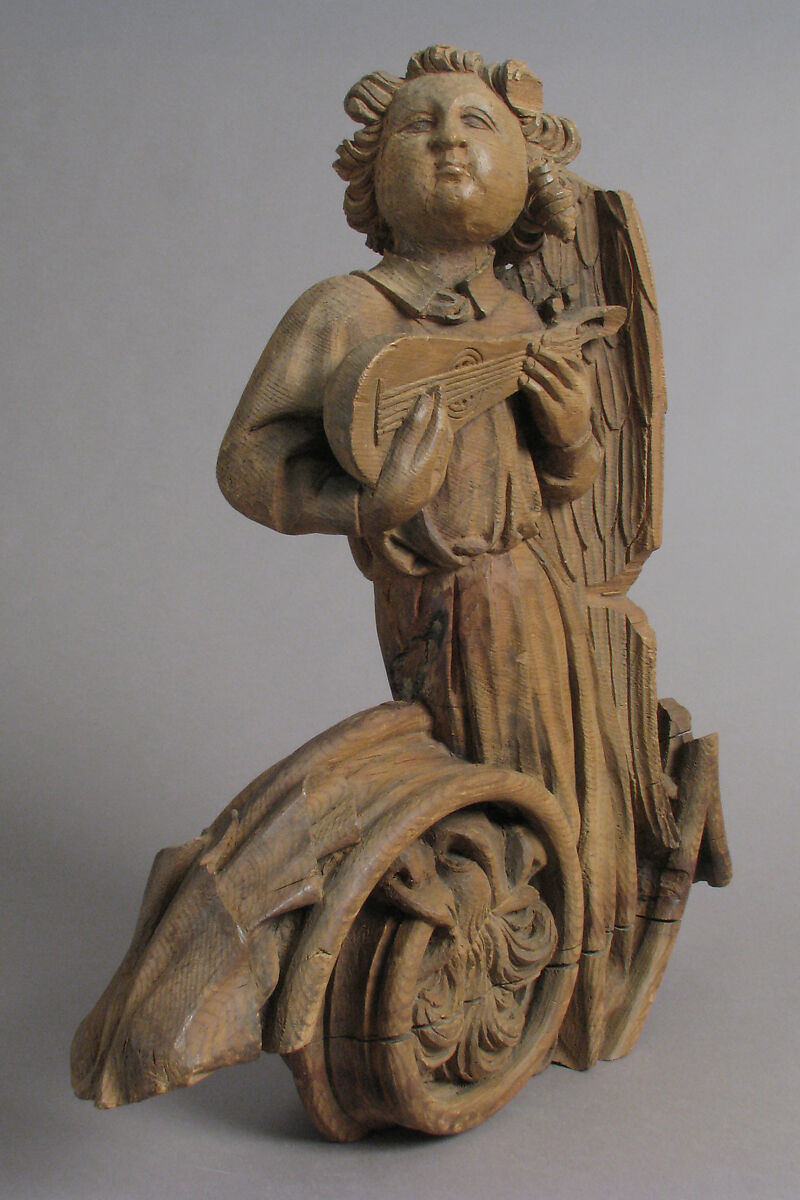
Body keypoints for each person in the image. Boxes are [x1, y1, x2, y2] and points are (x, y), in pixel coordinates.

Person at [217, 46, 638, 1066]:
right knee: (469, 782)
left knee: (568, 776)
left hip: (539, 589)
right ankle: (468, 978)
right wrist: (368, 503)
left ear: (526, 173)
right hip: (439, 598)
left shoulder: (524, 315)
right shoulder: (347, 312)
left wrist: (572, 436)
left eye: (476, 124)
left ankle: (562, 980)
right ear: (372, 177)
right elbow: (250, 460)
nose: (450, 142)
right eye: (420, 126)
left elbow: (565, 484)